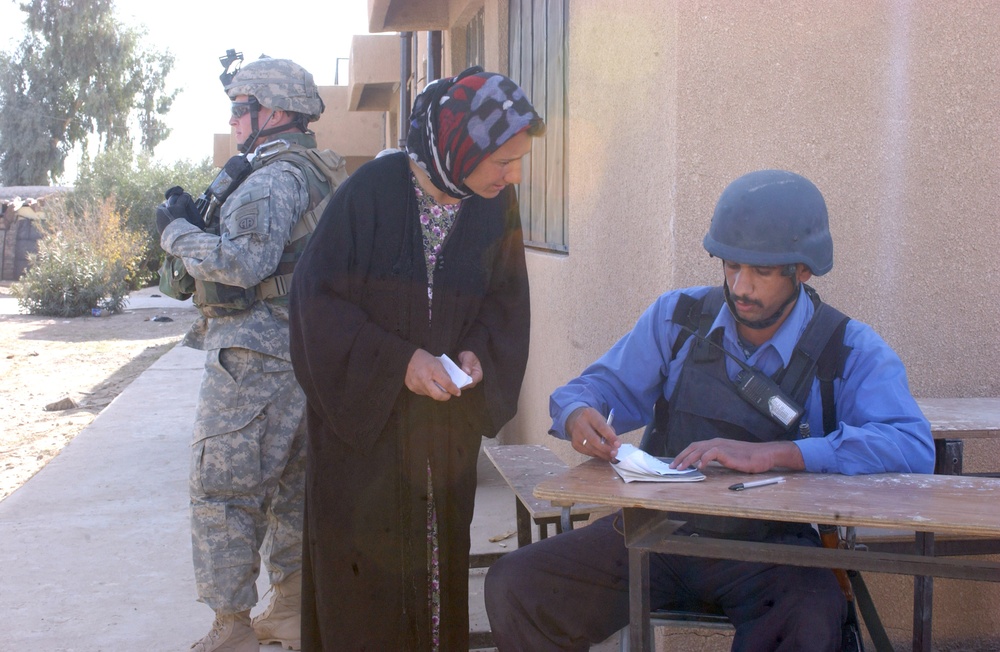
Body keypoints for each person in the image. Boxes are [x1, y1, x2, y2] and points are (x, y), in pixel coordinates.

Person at [484, 169, 935, 651]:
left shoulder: (847, 348)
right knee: (518, 583)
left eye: (761, 272)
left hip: (769, 553)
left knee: (811, 618)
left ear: (802, 270)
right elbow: (595, 387)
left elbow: (911, 446)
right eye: (731, 266)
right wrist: (577, 413)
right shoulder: (677, 318)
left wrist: (782, 453)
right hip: (658, 535)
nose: (741, 286)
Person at [287, 67, 544, 650]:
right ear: (457, 147)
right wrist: (400, 362)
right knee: (363, 592)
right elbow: (315, 306)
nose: (514, 175)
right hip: (364, 440)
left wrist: (477, 352)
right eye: (502, 161)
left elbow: (505, 301)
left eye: (519, 160)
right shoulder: (370, 192)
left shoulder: (492, 204)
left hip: (442, 436)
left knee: (436, 578)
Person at [157, 56, 335, 652]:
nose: (233, 121)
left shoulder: (271, 178)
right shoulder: (311, 171)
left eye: (241, 108)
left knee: (223, 492)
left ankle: (231, 627)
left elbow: (242, 264)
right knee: (290, 486)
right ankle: (289, 607)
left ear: (275, 112)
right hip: (300, 354)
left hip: (254, 358)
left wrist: (175, 232)